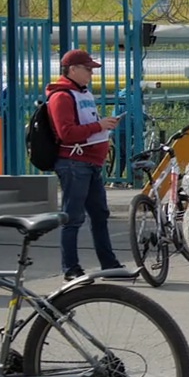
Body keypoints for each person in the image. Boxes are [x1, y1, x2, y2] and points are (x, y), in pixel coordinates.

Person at [44, 50, 124, 279]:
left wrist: (102, 127)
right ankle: (71, 269)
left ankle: (109, 265)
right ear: (72, 70)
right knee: (72, 217)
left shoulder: (82, 93)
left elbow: (86, 124)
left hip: (89, 163)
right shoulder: (62, 96)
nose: (91, 73)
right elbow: (67, 133)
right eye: (87, 69)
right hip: (74, 163)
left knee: (99, 214)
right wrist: (100, 126)